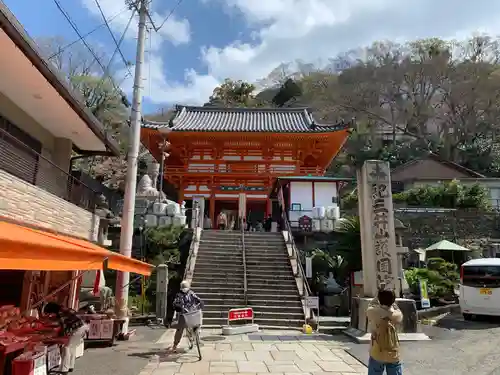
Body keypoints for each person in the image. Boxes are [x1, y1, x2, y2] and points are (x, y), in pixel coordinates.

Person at [366, 289, 403, 375]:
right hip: (393, 351)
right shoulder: (397, 315)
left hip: (377, 350)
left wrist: (377, 296)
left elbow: (370, 305)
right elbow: (396, 308)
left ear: (379, 299)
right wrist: (392, 302)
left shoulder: (373, 312)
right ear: (393, 300)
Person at [43, 302, 87, 374]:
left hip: (77, 329)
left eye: (50, 313)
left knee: (66, 347)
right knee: (72, 347)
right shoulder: (64, 309)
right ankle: (70, 366)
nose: (50, 315)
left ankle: (64, 369)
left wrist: (58, 337)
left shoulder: (61, 312)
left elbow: (64, 326)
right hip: (82, 327)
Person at [168, 280, 203, 352]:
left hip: (192, 312)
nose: (185, 289)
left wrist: (201, 302)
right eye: (183, 287)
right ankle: (175, 345)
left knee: (197, 324)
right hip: (183, 314)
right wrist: (177, 306)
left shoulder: (191, 293)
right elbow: (175, 302)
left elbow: (197, 299)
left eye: (186, 287)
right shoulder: (179, 295)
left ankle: (196, 338)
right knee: (179, 330)